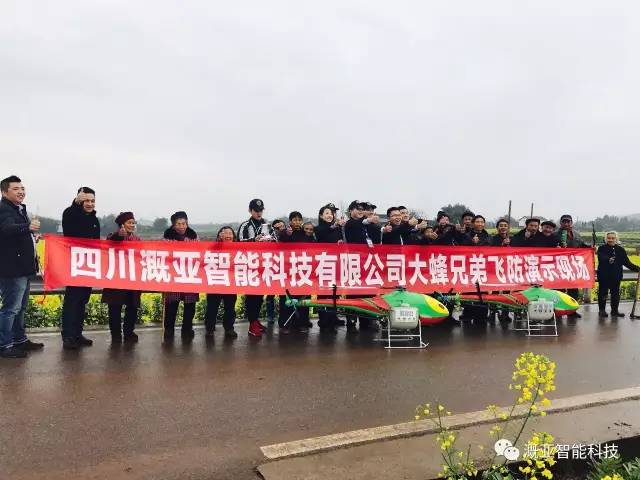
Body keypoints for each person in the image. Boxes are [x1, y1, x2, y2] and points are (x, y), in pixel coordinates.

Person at [0, 175, 44, 358]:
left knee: (21, 307)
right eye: (16, 189)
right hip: (12, 269)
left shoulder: (18, 209)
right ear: (4, 192)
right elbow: (6, 229)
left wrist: (32, 236)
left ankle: (19, 340)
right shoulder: (4, 209)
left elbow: (16, 234)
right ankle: (4, 345)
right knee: (10, 308)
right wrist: (28, 227)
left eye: (22, 188)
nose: (21, 192)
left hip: (23, 268)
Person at [60, 187, 100, 350]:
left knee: (83, 300)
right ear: (79, 201)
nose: (90, 204)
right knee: (72, 301)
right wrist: (76, 204)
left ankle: (77, 333)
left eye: (92, 201)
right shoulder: (70, 214)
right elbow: (70, 229)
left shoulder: (94, 219)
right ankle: (68, 336)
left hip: (88, 266)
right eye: (86, 201)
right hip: (74, 266)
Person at [237, 199, 276, 337]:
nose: (259, 213)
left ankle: (255, 320)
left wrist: (270, 241)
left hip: (264, 265)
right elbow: (239, 243)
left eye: (260, 210)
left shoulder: (268, 225)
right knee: (251, 295)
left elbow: (276, 241)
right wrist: (254, 240)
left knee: (260, 296)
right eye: (256, 210)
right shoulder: (245, 225)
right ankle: (252, 324)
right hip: (250, 266)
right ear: (250, 210)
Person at [101, 212, 141, 343]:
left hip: (132, 278)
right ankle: (116, 334)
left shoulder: (137, 239)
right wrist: (119, 235)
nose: (132, 225)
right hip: (116, 279)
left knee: (132, 308)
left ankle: (129, 332)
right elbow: (111, 241)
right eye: (129, 222)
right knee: (115, 308)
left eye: (133, 223)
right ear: (122, 225)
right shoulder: (113, 236)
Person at [162, 211, 200, 343]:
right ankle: (169, 329)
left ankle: (187, 329)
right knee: (172, 305)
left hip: (190, 275)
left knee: (190, 305)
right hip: (173, 275)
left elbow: (199, 253)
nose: (182, 226)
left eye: (184, 223)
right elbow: (165, 255)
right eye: (178, 224)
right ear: (173, 225)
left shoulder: (194, 236)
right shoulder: (167, 237)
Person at [278, 212, 312, 333]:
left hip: (302, 271)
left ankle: (302, 323)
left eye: (299, 220)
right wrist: (286, 234)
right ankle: (284, 324)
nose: (297, 222)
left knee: (303, 299)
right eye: (294, 220)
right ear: (290, 221)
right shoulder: (285, 233)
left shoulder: (305, 233)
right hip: (288, 271)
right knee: (287, 299)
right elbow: (280, 243)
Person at [314, 203, 345, 332]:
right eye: (327, 213)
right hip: (324, 264)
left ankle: (333, 317)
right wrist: (335, 226)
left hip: (335, 263)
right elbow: (323, 232)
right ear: (321, 216)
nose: (330, 215)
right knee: (324, 293)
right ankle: (324, 320)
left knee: (335, 292)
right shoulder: (318, 228)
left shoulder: (337, 228)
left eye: (331, 213)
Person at [205, 226, 238, 338]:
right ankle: (209, 328)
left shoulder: (238, 248)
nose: (228, 236)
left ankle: (229, 328)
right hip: (216, 282)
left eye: (230, 233)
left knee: (230, 308)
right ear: (220, 235)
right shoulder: (214, 247)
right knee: (212, 307)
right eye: (225, 233)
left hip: (231, 283)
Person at [597, 231, 640, 318]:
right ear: (606, 239)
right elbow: (601, 258)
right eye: (609, 238)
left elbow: (627, 263)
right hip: (604, 276)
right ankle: (602, 311)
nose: (610, 240)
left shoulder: (621, 250)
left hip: (616, 276)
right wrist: (609, 260)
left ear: (616, 239)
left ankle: (615, 311)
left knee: (615, 295)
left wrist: (638, 269)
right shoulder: (601, 248)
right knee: (603, 293)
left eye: (613, 238)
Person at [557, 214, 590, 318]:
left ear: (571, 222)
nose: (566, 223)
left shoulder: (576, 234)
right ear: (561, 223)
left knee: (573, 290)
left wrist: (590, 247)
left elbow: (582, 245)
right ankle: (558, 312)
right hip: (559, 267)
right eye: (564, 221)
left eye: (568, 221)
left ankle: (572, 312)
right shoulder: (555, 234)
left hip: (572, 266)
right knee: (559, 291)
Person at [264, 219, 286, 325]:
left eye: (282, 226)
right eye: (278, 227)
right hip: (272, 269)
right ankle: (270, 316)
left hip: (284, 270)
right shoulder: (269, 238)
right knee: (270, 295)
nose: (281, 229)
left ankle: (283, 317)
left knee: (283, 296)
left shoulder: (287, 236)